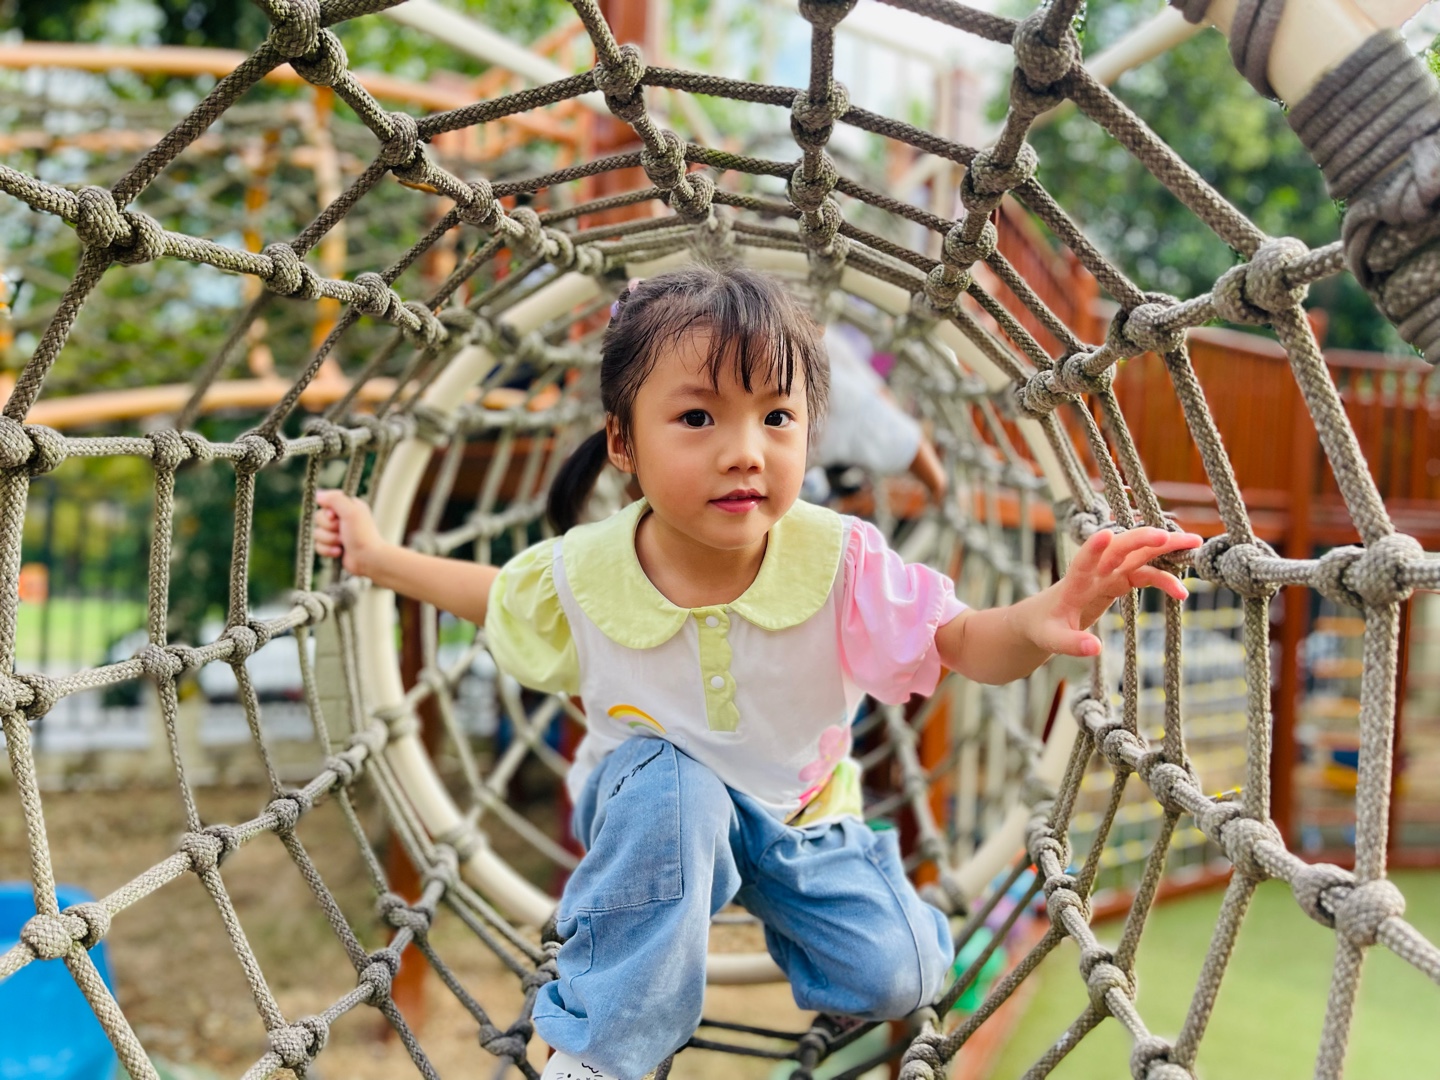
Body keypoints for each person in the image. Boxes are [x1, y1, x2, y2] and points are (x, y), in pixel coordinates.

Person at [313, 265, 1200, 1080]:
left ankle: (768, 912)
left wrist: (1036, 622)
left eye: (777, 418)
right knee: (678, 788)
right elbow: (495, 593)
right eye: (698, 419)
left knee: (900, 973)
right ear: (622, 441)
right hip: (646, 810)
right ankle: (600, 1052)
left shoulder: (841, 560)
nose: (746, 450)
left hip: (801, 817)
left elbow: (962, 640)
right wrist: (380, 559)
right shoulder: (587, 569)